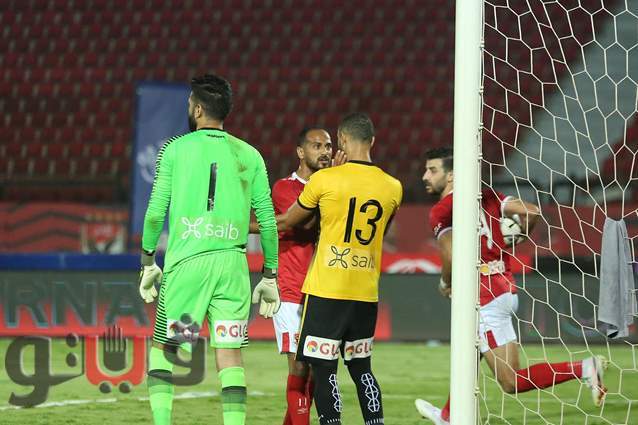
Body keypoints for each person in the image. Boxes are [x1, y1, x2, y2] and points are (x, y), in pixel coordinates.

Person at [414, 147, 608, 425]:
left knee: (510, 381)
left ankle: (584, 368)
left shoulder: (443, 210)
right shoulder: (488, 196)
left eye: (432, 170)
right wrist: (516, 239)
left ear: (453, 175)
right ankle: (448, 415)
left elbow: (450, 254)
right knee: (470, 348)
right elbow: (532, 211)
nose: (425, 176)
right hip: (503, 285)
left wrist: (445, 282)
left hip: (483, 294)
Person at [138, 74, 280, 425]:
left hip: (188, 269)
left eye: (190, 103)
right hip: (232, 269)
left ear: (198, 109)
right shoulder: (250, 155)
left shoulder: (175, 150)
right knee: (229, 355)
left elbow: (155, 213)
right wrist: (270, 275)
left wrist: (147, 261)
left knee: (168, 347)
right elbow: (267, 221)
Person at [278, 113, 402, 425]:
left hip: (326, 289)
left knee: (323, 369)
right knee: (362, 369)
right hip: (365, 291)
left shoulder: (324, 180)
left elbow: (290, 222)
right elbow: (382, 234)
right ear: (372, 141)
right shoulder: (393, 187)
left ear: (342, 140)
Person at [249, 126, 335, 425]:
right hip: (290, 288)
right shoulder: (285, 188)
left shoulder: (332, 185)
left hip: (325, 288)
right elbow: (304, 223)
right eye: (316, 146)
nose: (324, 151)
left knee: (316, 371)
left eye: (328, 146)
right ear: (300, 151)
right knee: (299, 367)